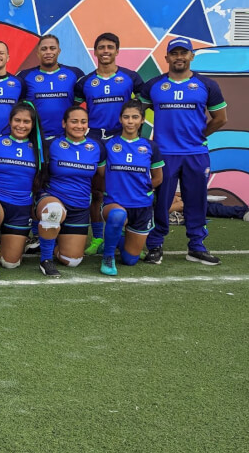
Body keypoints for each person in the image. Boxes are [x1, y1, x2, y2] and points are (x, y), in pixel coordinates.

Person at [139, 36, 228, 265]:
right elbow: (136, 114)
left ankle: (196, 246)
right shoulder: (154, 85)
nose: (179, 57)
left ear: (191, 56)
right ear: (167, 57)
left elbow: (220, 119)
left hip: (196, 153)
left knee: (196, 199)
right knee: (161, 201)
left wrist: (200, 136)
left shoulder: (207, 85)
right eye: (175, 53)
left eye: (184, 53)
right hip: (165, 154)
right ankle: (155, 244)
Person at [73, 32, 143, 254]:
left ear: (117, 51)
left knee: (122, 187)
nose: (105, 51)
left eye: (110, 47)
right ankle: (97, 237)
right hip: (93, 138)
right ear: (95, 52)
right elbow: (75, 110)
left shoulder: (131, 77)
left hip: (120, 138)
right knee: (96, 190)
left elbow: (145, 104)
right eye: (101, 47)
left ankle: (125, 237)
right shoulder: (85, 82)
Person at [35, 105, 105, 277]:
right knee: (53, 211)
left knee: (72, 261)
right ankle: (46, 260)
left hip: (79, 206)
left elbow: (100, 178)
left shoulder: (97, 147)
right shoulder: (51, 145)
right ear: (64, 123)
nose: (79, 126)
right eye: (74, 121)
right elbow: (38, 174)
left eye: (83, 122)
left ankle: (53, 240)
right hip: (52, 198)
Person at [98, 100, 164, 276]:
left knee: (130, 260)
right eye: (126, 117)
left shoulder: (150, 146)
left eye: (135, 117)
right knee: (118, 215)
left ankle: (116, 240)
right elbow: (102, 174)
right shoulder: (108, 145)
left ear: (142, 120)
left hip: (141, 206)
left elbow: (158, 178)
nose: (130, 121)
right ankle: (108, 256)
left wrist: (144, 190)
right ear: (120, 119)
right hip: (115, 203)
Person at [0, 102, 43, 280]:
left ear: (33, 124)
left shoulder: (39, 149)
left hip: (21, 207)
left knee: (10, 263)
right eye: (17, 120)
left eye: (26, 122)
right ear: (10, 121)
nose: (21, 125)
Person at [18, 34, 82, 139]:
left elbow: (79, 102)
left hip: (66, 137)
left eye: (52, 48)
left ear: (59, 51)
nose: (48, 52)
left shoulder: (75, 74)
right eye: (44, 49)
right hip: (36, 138)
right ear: (38, 53)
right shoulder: (24, 76)